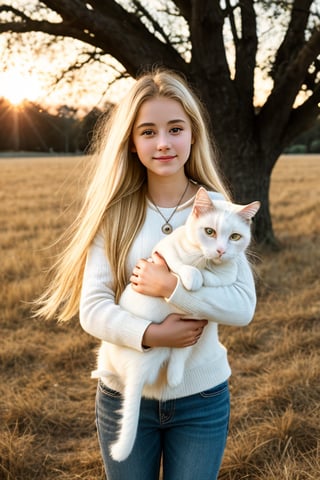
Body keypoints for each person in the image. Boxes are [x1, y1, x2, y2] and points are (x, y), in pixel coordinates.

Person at [36, 68, 257, 480]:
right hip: (124, 393)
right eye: (148, 132)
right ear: (132, 144)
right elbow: (94, 309)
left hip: (201, 397)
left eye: (175, 128)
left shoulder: (219, 213)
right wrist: (153, 335)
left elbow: (242, 307)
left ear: (193, 135)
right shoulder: (117, 214)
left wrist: (173, 289)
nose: (163, 143)